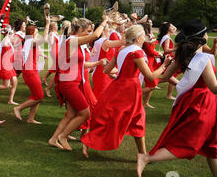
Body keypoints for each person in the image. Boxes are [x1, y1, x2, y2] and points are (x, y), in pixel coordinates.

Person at [137, 19, 217, 177]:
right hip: (203, 104)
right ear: (202, 37)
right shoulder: (202, 58)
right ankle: (147, 157)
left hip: (190, 101)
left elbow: (165, 76)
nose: (207, 34)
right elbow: (215, 88)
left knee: (213, 145)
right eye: (205, 33)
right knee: (189, 143)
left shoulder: (183, 54)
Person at [81, 24, 172, 157]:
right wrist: (164, 65)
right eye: (143, 36)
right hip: (130, 89)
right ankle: (142, 154)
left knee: (124, 118)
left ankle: (143, 153)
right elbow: (150, 76)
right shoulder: (137, 52)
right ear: (138, 38)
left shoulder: (122, 50)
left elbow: (106, 70)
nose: (144, 38)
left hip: (118, 86)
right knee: (131, 119)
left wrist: (119, 71)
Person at [49, 16, 109, 150]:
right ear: (80, 29)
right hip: (69, 83)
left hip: (72, 82)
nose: (88, 34)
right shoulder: (72, 40)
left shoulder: (76, 43)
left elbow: (81, 64)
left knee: (71, 114)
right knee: (85, 113)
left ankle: (53, 139)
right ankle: (63, 136)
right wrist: (104, 21)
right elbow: (95, 35)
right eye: (87, 31)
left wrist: (98, 63)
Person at [13, 11, 50, 124]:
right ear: (32, 33)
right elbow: (43, 40)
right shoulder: (30, 41)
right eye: (37, 32)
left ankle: (30, 118)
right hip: (29, 72)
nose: (38, 33)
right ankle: (18, 108)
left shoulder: (30, 41)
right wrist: (47, 24)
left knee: (36, 95)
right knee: (39, 95)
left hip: (32, 71)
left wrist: (42, 55)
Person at [0, 25, 19, 105]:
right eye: (12, 35)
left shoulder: (9, 42)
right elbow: (4, 44)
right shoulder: (5, 42)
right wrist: (8, 34)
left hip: (10, 66)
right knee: (6, 86)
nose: (14, 37)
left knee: (15, 82)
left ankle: (10, 100)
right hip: (6, 66)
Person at [157, 22, 178, 100]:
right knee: (169, 77)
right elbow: (166, 50)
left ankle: (169, 95)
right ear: (168, 29)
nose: (173, 27)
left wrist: (168, 24)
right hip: (168, 58)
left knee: (170, 77)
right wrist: (176, 48)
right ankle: (152, 83)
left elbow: (175, 29)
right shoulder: (167, 37)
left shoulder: (167, 36)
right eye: (171, 26)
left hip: (169, 58)